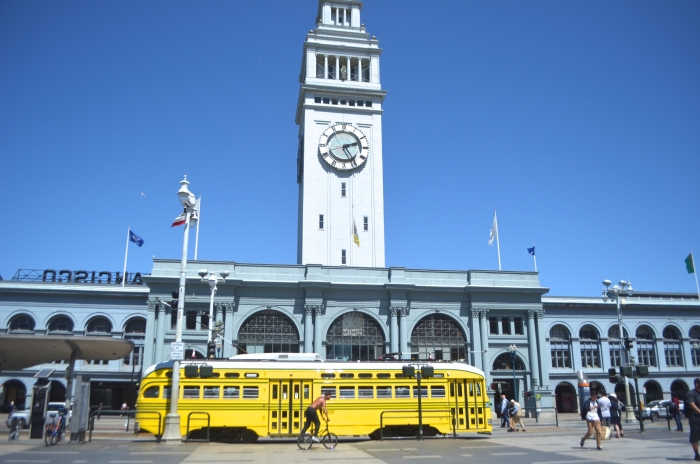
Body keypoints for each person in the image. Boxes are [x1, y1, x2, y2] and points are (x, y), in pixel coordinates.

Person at [686, 377, 700, 461]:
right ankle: (696, 453)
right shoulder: (691, 393)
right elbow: (692, 404)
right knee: (694, 437)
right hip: (695, 418)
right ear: (697, 384)